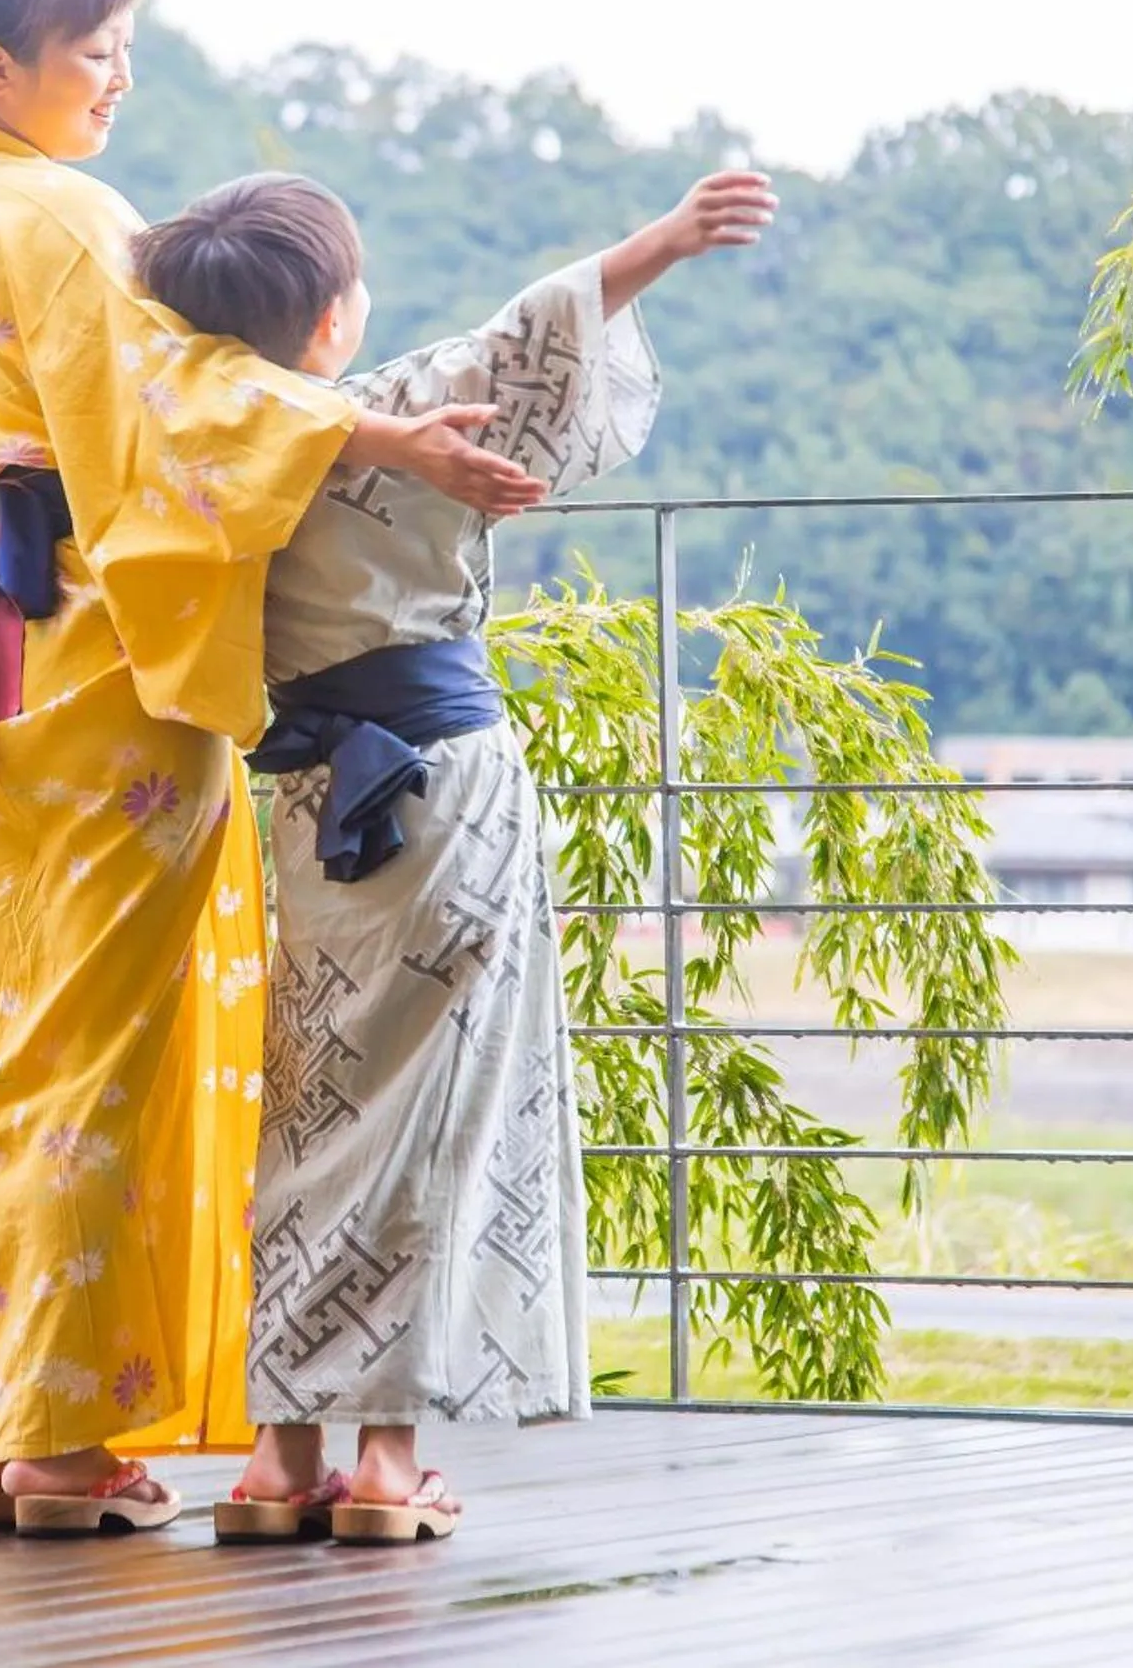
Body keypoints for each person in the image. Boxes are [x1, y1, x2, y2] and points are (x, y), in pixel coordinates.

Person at [0, 0, 548, 1538]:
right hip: (96, 658)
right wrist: (370, 431)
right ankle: (54, 1446)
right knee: (99, 1046)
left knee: (17, 1039)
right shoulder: (61, 219)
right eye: (92, 50)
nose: (115, 78)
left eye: (120, 47)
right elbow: (172, 409)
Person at [128, 165, 774, 1545]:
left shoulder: (195, 438)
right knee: (430, 1111)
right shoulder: (409, 408)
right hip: (443, 792)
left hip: (297, 800)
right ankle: (381, 1464)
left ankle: (275, 1459)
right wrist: (661, 241)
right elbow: (534, 337)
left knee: (305, 1103)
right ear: (328, 322)